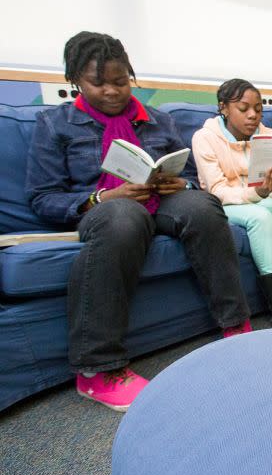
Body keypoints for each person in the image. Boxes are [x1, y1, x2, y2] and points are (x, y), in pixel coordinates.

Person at [24, 32, 251, 411]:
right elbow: (42, 197)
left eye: (120, 81)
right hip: (104, 207)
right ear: (76, 80)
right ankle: (98, 370)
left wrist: (184, 183)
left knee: (203, 206)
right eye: (98, 83)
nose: (112, 91)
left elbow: (191, 175)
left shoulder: (159, 120)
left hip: (162, 199)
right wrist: (101, 197)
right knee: (124, 216)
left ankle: (235, 325)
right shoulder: (55, 124)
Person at [192, 79, 272, 331]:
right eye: (244, 109)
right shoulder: (205, 138)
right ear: (224, 108)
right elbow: (217, 191)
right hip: (228, 202)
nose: (253, 115)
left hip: (263, 197)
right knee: (260, 218)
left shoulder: (271, 137)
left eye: (258, 108)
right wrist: (257, 192)